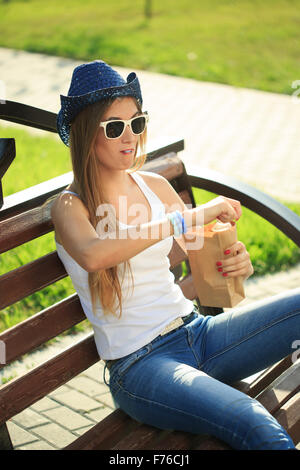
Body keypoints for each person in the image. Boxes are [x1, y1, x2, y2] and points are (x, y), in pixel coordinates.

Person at [52, 59, 300, 450]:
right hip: (142, 366)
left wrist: (236, 264)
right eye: (114, 127)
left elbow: (207, 266)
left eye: (137, 122)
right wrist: (185, 219)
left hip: (198, 333)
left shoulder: (153, 187)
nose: (129, 136)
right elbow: (95, 254)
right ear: (85, 134)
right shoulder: (70, 207)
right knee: (255, 423)